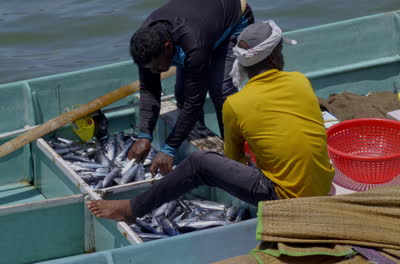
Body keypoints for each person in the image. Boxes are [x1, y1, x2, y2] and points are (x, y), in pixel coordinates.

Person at [87, 21, 335, 224]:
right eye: (280, 51)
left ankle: (132, 209)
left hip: (284, 195)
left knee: (199, 164)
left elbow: (235, 159)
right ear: (273, 59)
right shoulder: (300, 81)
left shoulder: (236, 104)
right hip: (322, 184)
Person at [127, 0, 254, 176]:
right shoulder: (146, 44)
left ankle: (239, 153)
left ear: (167, 47)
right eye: (149, 68)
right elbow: (149, 90)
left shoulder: (194, 44)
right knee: (182, 94)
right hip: (199, 24)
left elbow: (195, 102)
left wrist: (169, 148)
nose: (153, 72)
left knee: (221, 92)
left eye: (156, 67)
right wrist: (145, 135)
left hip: (233, 20)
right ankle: (200, 146)